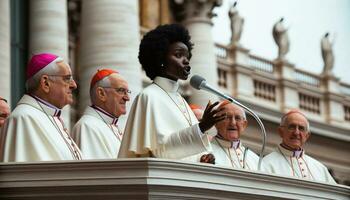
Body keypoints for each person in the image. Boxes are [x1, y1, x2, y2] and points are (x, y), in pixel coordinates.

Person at [118, 24, 226, 159]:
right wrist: (201, 127)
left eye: (187, 56)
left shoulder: (180, 100)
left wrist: (205, 158)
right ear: (160, 59)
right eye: (178, 55)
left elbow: (188, 152)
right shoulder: (149, 96)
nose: (186, 60)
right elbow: (160, 151)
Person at [0, 53, 82, 162]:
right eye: (67, 79)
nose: (74, 85)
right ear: (45, 83)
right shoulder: (22, 119)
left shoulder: (51, 117)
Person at [262, 109, 336, 184]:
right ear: (281, 132)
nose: (296, 132)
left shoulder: (320, 169)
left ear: (307, 136)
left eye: (301, 128)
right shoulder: (266, 163)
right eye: (292, 127)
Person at [72, 69, 130, 159]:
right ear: (101, 93)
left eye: (127, 92)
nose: (127, 98)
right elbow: (97, 171)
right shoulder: (87, 126)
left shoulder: (110, 125)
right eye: (121, 90)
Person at [199, 101, 260, 170]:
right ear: (216, 122)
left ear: (244, 125)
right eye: (227, 117)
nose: (233, 123)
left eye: (237, 118)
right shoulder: (204, 151)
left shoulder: (256, 160)